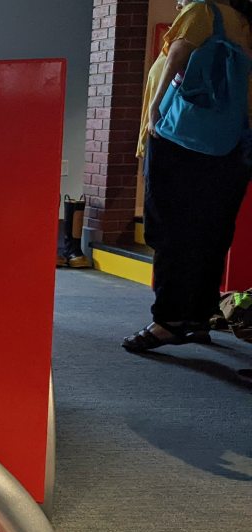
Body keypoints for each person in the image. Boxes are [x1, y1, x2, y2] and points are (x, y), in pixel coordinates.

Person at [126, 0, 252, 352]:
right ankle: (197, 318)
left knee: (169, 230)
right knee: (211, 233)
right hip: (234, 144)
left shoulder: (204, 10)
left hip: (183, 139)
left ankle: (167, 322)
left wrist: (154, 111)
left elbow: (178, 54)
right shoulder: (242, 20)